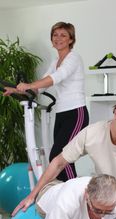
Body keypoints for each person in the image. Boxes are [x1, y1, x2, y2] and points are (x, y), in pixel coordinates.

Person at [4, 22, 89, 182]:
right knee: (57, 157)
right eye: (55, 35)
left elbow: (55, 78)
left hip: (76, 113)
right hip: (62, 113)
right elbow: (41, 87)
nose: (58, 38)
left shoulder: (73, 58)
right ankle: (66, 196)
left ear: (71, 39)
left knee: (63, 157)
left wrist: (28, 85)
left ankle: (74, 195)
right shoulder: (56, 61)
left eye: (63, 35)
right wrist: (16, 90)